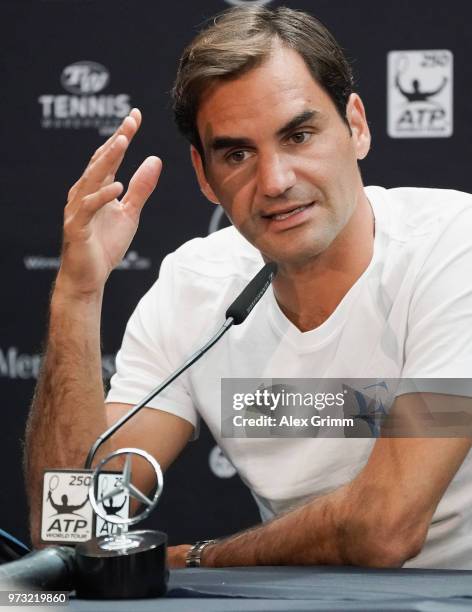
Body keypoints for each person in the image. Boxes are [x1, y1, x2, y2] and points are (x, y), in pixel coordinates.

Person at [25, 5, 472, 569]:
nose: (276, 181)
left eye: (299, 135)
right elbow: (70, 526)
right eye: (237, 153)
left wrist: (200, 559)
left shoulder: (455, 245)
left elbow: (384, 527)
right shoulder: (196, 283)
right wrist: (77, 294)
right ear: (204, 176)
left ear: (356, 126)